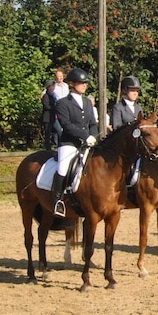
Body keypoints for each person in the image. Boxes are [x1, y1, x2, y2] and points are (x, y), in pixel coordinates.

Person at [51, 67, 99, 216]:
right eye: (81, 82)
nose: (84, 85)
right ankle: (57, 201)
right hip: (69, 143)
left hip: (87, 144)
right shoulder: (62, 103)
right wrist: (85, 136)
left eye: (85, 83)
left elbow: (92, 123)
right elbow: (66, 125)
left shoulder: (87, 103)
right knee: (63, 167)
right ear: (72, 84)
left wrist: (94, 136)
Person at [40, 78, 56, 151]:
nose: (54, 88)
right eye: (52, 86)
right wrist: (54, 107)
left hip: (52, 117)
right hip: (47, 117)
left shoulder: (52, 95)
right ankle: (47, 147)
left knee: (55, 131)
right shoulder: (46, 96)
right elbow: (46, 106)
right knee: (48, 133)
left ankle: (54, 145)